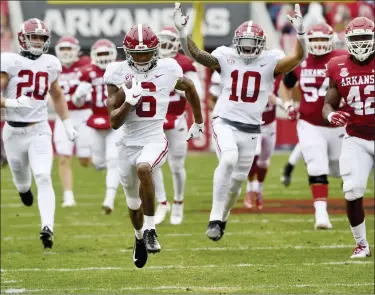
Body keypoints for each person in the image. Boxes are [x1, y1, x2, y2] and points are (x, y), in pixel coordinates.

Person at [173, 2, 308, 241]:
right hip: (225, 120)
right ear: (236, 42)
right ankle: (214, 217)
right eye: (243, 43)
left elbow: (299, 56)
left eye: (251, 44)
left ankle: (222, 218)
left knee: (236, 185)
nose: (247, 49)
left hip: (252, 128)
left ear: (260, 45)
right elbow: (196, 54)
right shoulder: (225, 56)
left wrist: (301, 33)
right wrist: (183, 34)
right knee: (228, 159)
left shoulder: (271, 61)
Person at [104, 24, 203, 268]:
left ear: (155, 51)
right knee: (132, 204)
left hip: (154, 138)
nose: (141, 59)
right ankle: (139, 237)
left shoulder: (168, 68)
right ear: (127, 53)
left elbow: (189, 87)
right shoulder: (116, 73)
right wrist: (129, 102)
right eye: (136, 54)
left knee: (145, 168)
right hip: (126, 141)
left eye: (146, 53)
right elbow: (114, 122)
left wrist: (198, 122)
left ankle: (150, 229)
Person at [0, 18, 76, 248]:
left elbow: (57, 94)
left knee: (43, 176)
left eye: (42, 37)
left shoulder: (51, 63)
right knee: (22, 180)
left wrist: (66, 122)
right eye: (34, 36)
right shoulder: (10, 61)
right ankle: (24, 191)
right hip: (13, 131)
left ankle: (47, 227)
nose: (38, 41)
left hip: (40, 129)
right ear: (23, 38)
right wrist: (11, 104)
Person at [280, 23, 348, 229]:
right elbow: (286, 85)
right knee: (317, 164)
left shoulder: (343, 58)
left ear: (331, 41)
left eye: (322, 40)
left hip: (338, 125)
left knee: (341, 169)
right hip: (309, 123)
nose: (318, 44)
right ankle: (321, 214)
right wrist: (288, 104)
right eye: (315, 40)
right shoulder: (300, 60)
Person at [322, 17, 374, 258]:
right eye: (356, 38)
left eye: (366, 38)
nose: (361, 43)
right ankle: (362, 244)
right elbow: (328, 104)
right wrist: (331, 115)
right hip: (356, 137)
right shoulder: (336, 65)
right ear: (347, 40)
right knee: (352, 190)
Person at [153, 26, 204, 225]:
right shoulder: (151, 60)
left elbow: (196, 91)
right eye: (162, 40)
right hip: (155, 120)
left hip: (176, 118)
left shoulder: (184, 63)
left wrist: (175, 84)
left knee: (176, 165)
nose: (165, 45)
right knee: (152, 164)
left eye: (169, 40)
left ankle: (178, 203)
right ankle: (162, 202)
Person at [74, 39, 121, 214]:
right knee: (99, 163)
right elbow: (76, 102)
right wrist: (79, 95)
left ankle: (109, 199)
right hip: (96, 121)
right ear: (94, 55)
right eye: (99, 54)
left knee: (113, 159)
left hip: (115, 120)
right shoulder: (88, 73)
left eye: (105, 53)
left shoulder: (120, 70)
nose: (103, 57)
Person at [53, 36, 92, 208]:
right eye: (62, 49)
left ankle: (96, 159)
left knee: (84, 160)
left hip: (84, 115)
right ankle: (68, 196)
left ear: (76, 50)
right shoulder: (52, 66)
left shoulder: (87, 64)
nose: (66, 53)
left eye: (69, 49)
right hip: (63, 116)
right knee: (63, 156)